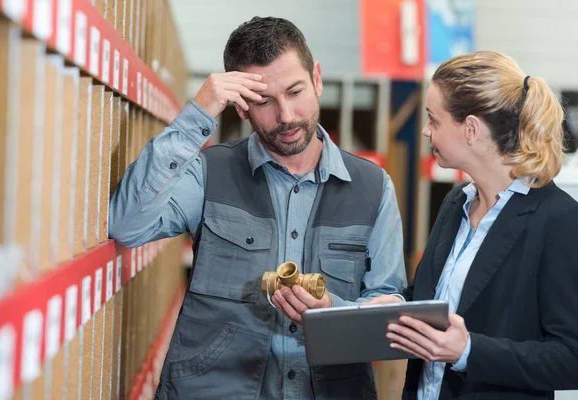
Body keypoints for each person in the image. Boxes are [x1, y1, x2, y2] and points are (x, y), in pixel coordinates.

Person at [109, 16, 407, 399]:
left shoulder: (373, 187)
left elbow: (387, 308)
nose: (285, 116)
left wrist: (335, 311)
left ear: (317, 79)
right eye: (264, 101)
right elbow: (127, 225)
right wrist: (196, 114)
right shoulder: (209, 173)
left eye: (295, 91)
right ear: (240, 107)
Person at [380, 51, 578, 399]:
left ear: (471, 129)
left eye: (433, 119)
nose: (426, 130)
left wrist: (469, 351)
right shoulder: (456, 202)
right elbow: (428, 300)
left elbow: (571, 358)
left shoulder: (558, 221)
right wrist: (378, 307)